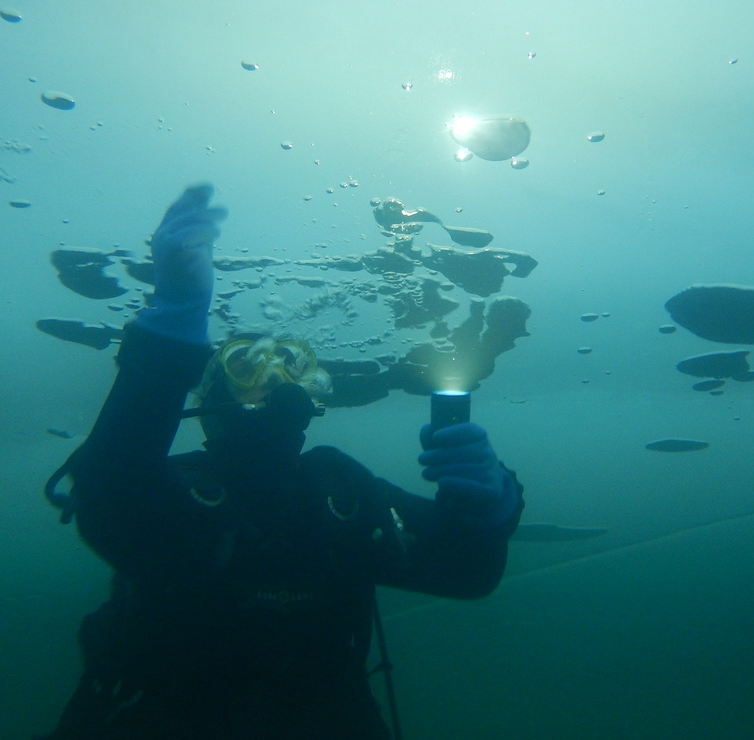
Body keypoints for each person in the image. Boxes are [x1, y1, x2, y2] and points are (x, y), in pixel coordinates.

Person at [40, 184, 524, 740]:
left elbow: (466, 572)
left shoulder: (340, 492)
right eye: (244, 365)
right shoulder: (179, 490)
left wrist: (489, 504)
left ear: (310, 398)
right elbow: (110, 496)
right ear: (208, 400)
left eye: (291, 366)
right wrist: (174, 321)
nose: (272, 378)